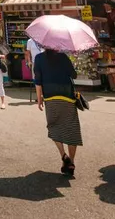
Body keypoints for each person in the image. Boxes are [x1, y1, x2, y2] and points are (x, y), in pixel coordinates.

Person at [34, 48, 81, 176]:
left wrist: (39, 99)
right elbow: (74, 75)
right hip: (67, 96)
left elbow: (38, 81)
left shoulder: (39, 58)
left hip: (50, 97)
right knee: (71, 128)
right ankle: (71, 161)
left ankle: (63, 156)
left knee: (54, 126)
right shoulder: (63, 57)